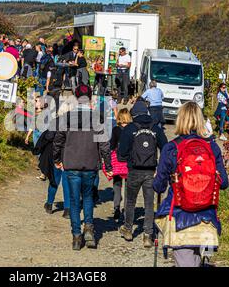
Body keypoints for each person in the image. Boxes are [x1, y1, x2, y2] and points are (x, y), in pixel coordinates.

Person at [153, 102, 229, 267]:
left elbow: (159, 187)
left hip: (180, 217)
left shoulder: (171, 148)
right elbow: (224, 183)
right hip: (207, 217)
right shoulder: (212, 147)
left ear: (180, 120)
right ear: (201, 121)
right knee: (197, 261)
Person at [53, 85, 113, 251]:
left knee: (73, 200)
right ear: (90, 97)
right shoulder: (97, 118)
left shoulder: (67, 117)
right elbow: (105, 145)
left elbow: (58, 141)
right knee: (87, 197)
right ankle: (89, 228)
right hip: (90, 164)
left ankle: (76, 236)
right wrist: (108, 165)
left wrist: (57, 159)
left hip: (72, 163)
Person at [118, 100, 168, 247]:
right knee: (148, 203)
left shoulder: (130, 128)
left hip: (134, 170)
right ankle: (148, 235)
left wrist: (128, 160)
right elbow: (165, 148)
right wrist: (160, 168)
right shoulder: (156, 128)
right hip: (150, 171)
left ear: (134, 114)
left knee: (130, 201)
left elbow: (122, 152)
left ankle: (128, 229)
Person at [108, 109, 132, 220]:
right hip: (129, 162)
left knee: (117, 184)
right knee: (128, 187)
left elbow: (111, 146)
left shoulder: (116, 130)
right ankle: (127, 210)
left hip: (117, 161)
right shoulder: (132, 130)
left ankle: (116, 206)